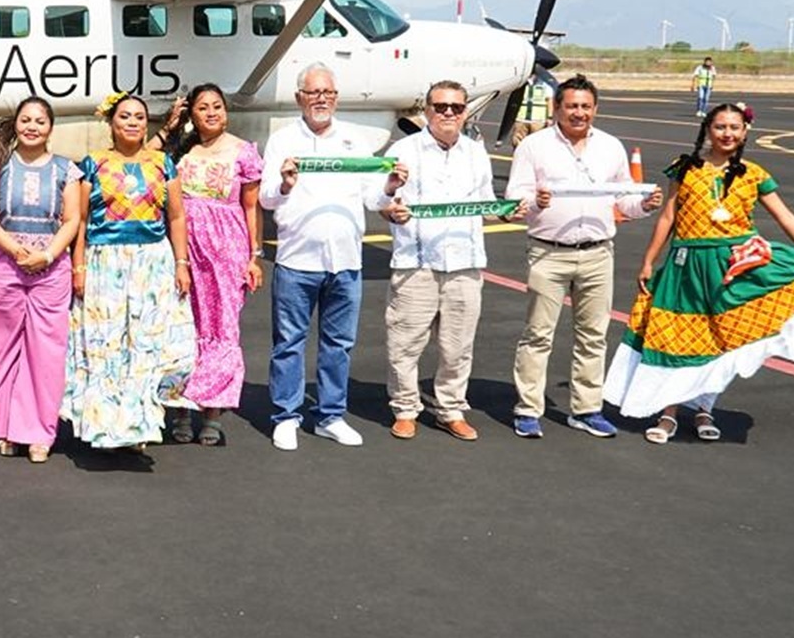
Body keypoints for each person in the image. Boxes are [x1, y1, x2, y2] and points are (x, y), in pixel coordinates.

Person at [606, 102, 794, 443]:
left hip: (734, 266)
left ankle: (704, 407)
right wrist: (648, 260)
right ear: (707, 130)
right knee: (675, 337)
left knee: (722, 338)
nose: (727, 134)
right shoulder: (684, 169)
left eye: (734, 127)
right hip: (686, 265)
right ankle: (668, 412)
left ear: (745, 132)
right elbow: (668, 218)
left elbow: (786, 218)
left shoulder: (754, 174)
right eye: (720, 127)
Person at [504, 74, 662, 439]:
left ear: (596, 109)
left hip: (596, 254)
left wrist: (644, 205)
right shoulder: (534, 146)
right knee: (538, 334)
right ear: (556, 108)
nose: (579, 113)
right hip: (549, 253)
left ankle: (586, 408)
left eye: (585, 107)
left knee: (593, 335)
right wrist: (533, 202)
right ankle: (528, 409)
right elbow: (516, 198)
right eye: (571, 106)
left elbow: (623, 199)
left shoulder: (610, 147)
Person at [259, 63, 402, 450]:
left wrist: (389, 185)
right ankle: (286, 415)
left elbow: (374, 197)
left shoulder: (356, 142)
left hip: (345, 261)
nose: (320, 99)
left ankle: (330, 415)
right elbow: (266, 198)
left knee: (338, 343)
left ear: (336, 98)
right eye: (312, 92)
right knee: (289, 341)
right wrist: (285, 184)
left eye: (327, 93)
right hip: (297, 260)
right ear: (299, 98)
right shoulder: (282, 140)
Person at [62, 92, 196, 451]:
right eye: (125, 116)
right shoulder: (92, 164)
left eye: (139, 116)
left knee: (146, 342)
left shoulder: (163, 164)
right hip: (104, 260)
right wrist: (78, 266)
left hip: (152, 260)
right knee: (106, 343)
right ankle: (105, 424)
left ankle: (139, 423)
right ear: (111, 123)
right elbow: (81, 220)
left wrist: (182, 263)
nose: (133, 122)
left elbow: (177, 216)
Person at [382, 81, 496, 442]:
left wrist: (511, 210)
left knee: (458, 345)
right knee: (404, 342)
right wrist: (391, 212)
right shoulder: (403, 150)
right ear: (427, 109)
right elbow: (383, 199)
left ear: (465, 112)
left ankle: (450, 408)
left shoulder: (477, 154)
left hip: (464, 262)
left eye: (456, 107)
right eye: (441, 106)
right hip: (417, 261)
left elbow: (486, 203)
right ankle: (404, 408)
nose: (448, 113)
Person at [0, 96, 81, 463]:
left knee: (46, 351)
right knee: (4, 347)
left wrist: (48, 254)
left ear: (50, 127)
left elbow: (71, 220)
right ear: (16, 124)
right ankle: (6, 426)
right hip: (5, 264)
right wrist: (16, 250)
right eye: (26, 120)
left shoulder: (67, 170)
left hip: (51, 269)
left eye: (39, 121)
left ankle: (38, 431)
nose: (32, 127)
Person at [162, 83, 263, 446]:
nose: (211, 113)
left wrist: (253, 257)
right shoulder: (182, 153)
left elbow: (251, 207)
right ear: (193, 114)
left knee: (220, 329)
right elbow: (150, 155)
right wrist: (171, 124)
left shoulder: (243, 152)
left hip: (226, 251)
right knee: (184, 326)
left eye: (217, 106)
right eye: (202, 108)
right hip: (186, 248)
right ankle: (181, 409)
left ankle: (213, 411)